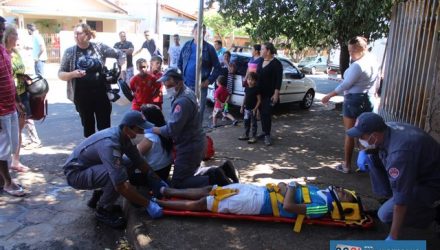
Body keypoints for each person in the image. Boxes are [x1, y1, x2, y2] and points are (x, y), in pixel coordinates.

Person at [63, 111, 166, 228]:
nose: (143, 133)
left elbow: (139, 161)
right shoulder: (110, 143)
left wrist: (156, 180)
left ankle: (100, 195)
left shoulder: (124, 136)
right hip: (76, 174)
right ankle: (103, 210)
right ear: (127, 129)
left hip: (88, 169)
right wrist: (148, 204)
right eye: (140, 130)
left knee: (128, 162)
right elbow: (120, 185)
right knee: (114, 175)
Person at [346, 112, 440, 240]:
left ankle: (433, 214)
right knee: (371, 158)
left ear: (374, 135)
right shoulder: (386, 128)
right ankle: (389, 199)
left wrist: (393, 237)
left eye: (361, 136)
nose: (359, 139)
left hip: (431, 183)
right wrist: (365, 152)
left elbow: (401, 198)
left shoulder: (399, 155)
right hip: (417, 170)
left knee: (384, 215)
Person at [149, 68, 236, 188]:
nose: (165, 86)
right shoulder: (187, 92)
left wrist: (154, 129)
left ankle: (214, 178)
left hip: (188, 146)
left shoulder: (182, 101)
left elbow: (171, 130)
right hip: (194, 142)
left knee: (178, 183)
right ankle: (222, 169)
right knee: (191, 173)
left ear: (179, 82)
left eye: (168, 83)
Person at [58, 23, 126, 137]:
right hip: (81, 96)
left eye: (78, 33)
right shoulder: (69, 52)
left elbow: (120, 54)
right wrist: (72, 74)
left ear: (88, 35)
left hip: (102, 94)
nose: (75, 36)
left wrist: (121, 71)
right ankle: (91, 151)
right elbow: (60, 74)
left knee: (104, 127)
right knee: (88, 127)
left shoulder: (99, 47)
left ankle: (105, 150)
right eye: (74, 33)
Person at [155, 181, 357, 219]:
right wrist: (288, 187)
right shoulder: (320, 192)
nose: (342, 190)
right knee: (211, 190)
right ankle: (168, 190)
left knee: (205, 203)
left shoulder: (321, 209)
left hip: (257, 204)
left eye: (345, 194)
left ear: (342, 204)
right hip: (257, 190)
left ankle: (160, 203)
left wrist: (291, 187)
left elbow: (288, 206)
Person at [322, 36, 378, 174]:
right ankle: (367, 163)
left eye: (354, 51)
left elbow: (346, 84)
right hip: (367, 98)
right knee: (365, 132)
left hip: (353, 100)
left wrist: (329, 95)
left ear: (364, 49)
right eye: (349, 51)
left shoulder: (358, 65)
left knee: (350, 133)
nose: (351, 54)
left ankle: (346, 165)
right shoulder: (373, 60)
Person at [0, 16, 25, 197]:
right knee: (3, 148)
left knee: (12, 144)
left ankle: (3, 179)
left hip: (10, 107)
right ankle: (8, 182)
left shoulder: (3, 50)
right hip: (0, 111)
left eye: (2, 29)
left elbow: (9, 77)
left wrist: (17, 101)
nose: (1, 32)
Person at [178, 23, 221, 124]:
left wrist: (209, 80)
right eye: (197, 32)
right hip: (185, 86)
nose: (199, 34)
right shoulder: (187, 45)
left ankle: (196, 136)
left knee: (198, 114)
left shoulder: (209, 48)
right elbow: (179, 63)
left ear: (205, 33)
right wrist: (180, 78)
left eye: (202, 32)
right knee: (184, 112)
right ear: (193, 32)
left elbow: (217, 67)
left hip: (201, 87)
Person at [3, 24, 30, 172]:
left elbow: (19, 70)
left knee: (19, 128)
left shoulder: (16, 52)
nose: (17, 39)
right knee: (6, 132)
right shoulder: (3, 54)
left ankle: (15, 160)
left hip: (21, 92)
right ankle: (6, 163)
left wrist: (25, 78)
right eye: (15, 35)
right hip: (9, 96)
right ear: (8, 36)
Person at [136, 104, 173, 181]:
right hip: (165, 168)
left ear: (148, 118)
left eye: (142, 115)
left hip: (156, 174)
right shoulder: (164, 128)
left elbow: (134, 156)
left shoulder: (149, 137)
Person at [257, 42, 282, 146]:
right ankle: (263, 131)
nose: (260, 51)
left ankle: (267, 135)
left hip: (269, 94)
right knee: (262, 113)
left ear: (268, 51)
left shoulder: (276, 63)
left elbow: (278, 80)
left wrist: (276, 93)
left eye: (262, 49)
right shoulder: (260, 61)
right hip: (259, 94)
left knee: (267, 114)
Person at [239, 72, 261, 143]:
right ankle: (246, 135)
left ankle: (254, 137)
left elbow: (259, 100)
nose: (250, 81)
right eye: (248, 79)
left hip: (253, 110)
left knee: (254, 124)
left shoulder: (256, 89)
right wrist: (242, 106)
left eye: (252, 80)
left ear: (255, 81)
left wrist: (255, 109)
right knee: (246, 122)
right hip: (246, 109)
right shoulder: (247, 88)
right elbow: (245, 97)